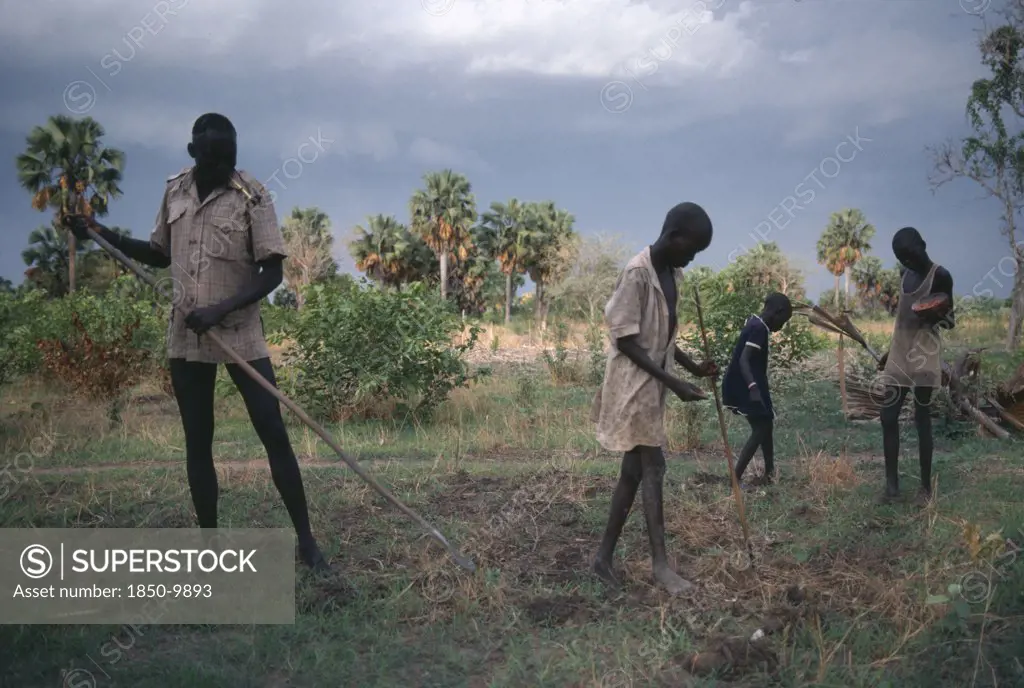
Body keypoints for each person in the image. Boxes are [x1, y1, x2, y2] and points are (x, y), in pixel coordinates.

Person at [65, 113, 329, 571]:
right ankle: (210, 546)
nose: (222, 166)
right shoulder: (175, 190)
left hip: (240, 335)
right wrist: (100, 233)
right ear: (195, 154)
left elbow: (272, 273)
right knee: (198, 442)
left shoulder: (253, 195)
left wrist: (221, 310)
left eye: (229, 158)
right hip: (186, 336)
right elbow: (158, 254)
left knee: (273, 433)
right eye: (214, 158)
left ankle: (306, 543)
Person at [590, 202, 718, 595]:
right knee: (653, 468)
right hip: (632, 387)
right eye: (692, 249)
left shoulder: (672, 274)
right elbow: (626, 341)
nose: (692, 259)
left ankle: (602, 559)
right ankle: (661, 566)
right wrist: (675, 383)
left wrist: (694, 369)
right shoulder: (637, 275)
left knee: (632, 475)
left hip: (654, 386)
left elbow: (661, 339)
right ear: (673, 235)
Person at [876, 227, 954, 504]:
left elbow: (950, 321)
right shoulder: (904, 274)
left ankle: (925, 488)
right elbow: (902, 316)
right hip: (899, 351)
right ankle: (892, 488)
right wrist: (889, 351)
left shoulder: (940, 276)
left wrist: (933, 314)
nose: (907, 262)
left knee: (921, 419)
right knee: (887, 418)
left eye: (910, 255)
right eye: (902, 259)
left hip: (924, 352)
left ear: (923, 244)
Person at [721, 292, 793, 487]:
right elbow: (744, 359)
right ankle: (735, 479)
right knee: (760, 428)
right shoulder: (759, 328)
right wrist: (753, 388)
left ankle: (769, 474)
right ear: (778, 312)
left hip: (750, 382)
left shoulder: (754, 322)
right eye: (783, 321)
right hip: (746, 384)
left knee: (766, 423)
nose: (781, 327)